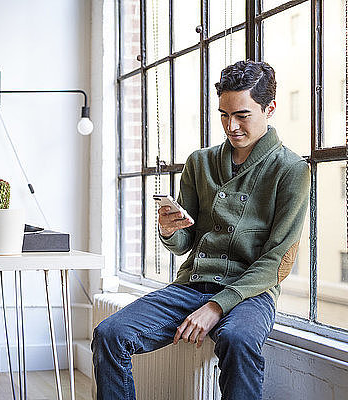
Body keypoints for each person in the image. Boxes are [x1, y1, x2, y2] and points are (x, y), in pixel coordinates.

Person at [92, 60, 310, 400]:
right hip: (192, 284)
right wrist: (168, 229)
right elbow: (184, 243)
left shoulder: (291, 170)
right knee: (109, 334)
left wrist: (217, 306)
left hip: (249, 292)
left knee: (238, 341)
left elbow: (276, 262)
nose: (231, 126)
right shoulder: (200, 162)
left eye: (242, 115)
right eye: (224, 114)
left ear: (270, 109)